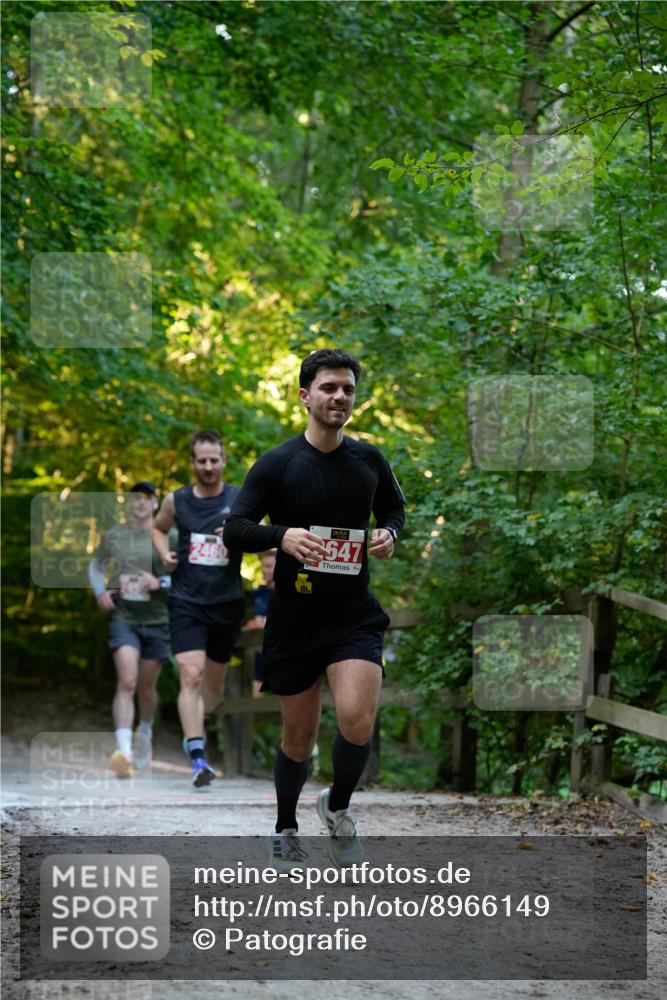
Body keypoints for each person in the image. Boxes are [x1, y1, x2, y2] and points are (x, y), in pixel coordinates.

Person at [224, 349, 406, 866]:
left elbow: (394, 507)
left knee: (357, 719)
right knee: (298, 737)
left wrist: (390, 533)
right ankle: (285, 825)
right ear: (305, 396)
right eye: (329, 387)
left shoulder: (369, 460)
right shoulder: (278, 464)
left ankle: (338, 807)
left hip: (353, 613)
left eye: (347, 388)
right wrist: (282, 537)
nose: (340, 397)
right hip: (295, 617)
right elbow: (235, 529)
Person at [152, 430, 245, 787]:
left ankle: (197, 725)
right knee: (190, 673)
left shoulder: (239, 500)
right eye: (201, 461)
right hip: (187, 600)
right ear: (192, 463)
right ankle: (197, 756)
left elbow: (261, 537)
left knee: (214, 687)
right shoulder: (177, 500)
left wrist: (237, 535)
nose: (208, 467)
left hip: (226, 602)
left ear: (223, 461)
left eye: (214, 460)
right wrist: (164, 554)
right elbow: (158, 530)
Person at [89, 481, 173, 779]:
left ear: (154, 503)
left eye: (145, 499)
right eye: (134, 499)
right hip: (123, 618)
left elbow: (187, 575)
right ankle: (123, 752)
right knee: (127, 680)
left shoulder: (167, 535)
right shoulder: (115, 535)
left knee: (146, 689)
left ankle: (145, 733)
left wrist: (160, 583)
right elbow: (96, 566)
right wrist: (100, 591)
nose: (139, 503)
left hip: (157, 620)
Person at [243, 550, 276, 698]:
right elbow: (246, 623)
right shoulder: (257, 594)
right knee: (255, 696)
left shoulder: (288, 594)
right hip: (258, 654)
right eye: (263, 566)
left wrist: (264, 623)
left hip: (281, 652)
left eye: (269, 566)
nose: (265, 570)